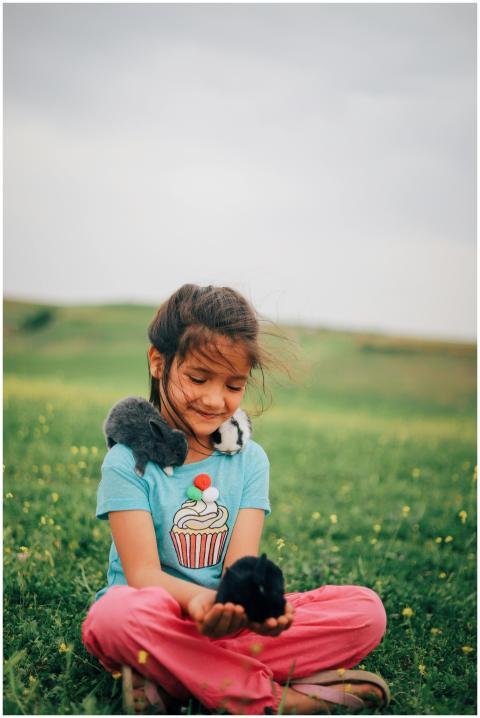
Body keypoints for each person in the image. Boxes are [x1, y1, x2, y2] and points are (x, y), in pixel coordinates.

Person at [81, 284, 390, 715]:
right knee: (113, 618)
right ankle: (276, 698)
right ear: (158, 361)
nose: (214, 399)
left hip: (226, 626)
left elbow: (237, 570)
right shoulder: (126, 461)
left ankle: (174, 681)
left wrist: (256, 610)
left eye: (233, 385)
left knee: (365, 611)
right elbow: (142, 573)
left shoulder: (251, 461)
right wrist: (197, 602)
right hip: (156, 616)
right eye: (197, 378)